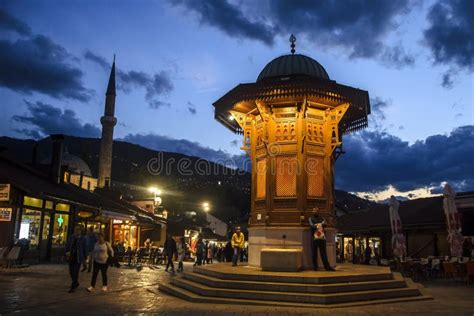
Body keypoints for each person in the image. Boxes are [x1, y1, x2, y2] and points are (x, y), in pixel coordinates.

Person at [65, 225, 88, 293]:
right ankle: (76, 282)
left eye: (78, 230)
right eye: (75, 230)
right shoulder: (71, 237)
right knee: (71, 271)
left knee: (75, 272)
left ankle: (73, 286)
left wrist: (85, 258)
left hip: (78, 257)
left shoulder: (83, 238)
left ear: (80, 231)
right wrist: (66, 253)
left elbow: (85, 248)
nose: (76, 231)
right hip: (71, 256)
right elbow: (68, 245)